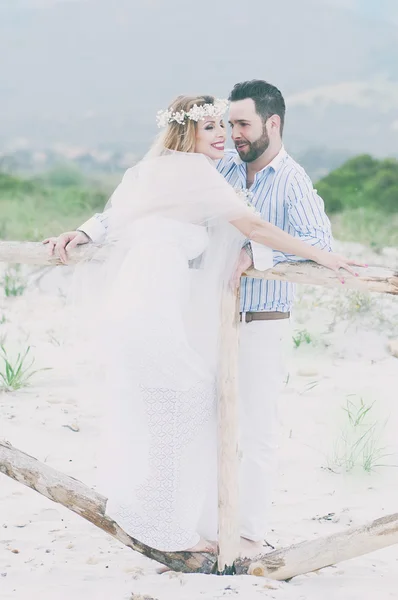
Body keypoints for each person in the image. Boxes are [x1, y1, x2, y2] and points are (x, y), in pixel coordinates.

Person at [43, 92, 361, 555]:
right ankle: (164, 522)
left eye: (230, 126)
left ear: (272, 124)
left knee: (172, 407)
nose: (226, 137)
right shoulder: (197, 171)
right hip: (154, 302)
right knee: (188, 403)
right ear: (187, 131)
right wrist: (323, 256)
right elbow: (254, 227)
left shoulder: (179, 170)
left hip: (151, 300)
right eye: (212, 127)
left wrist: (298, 250)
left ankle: (166, 514)